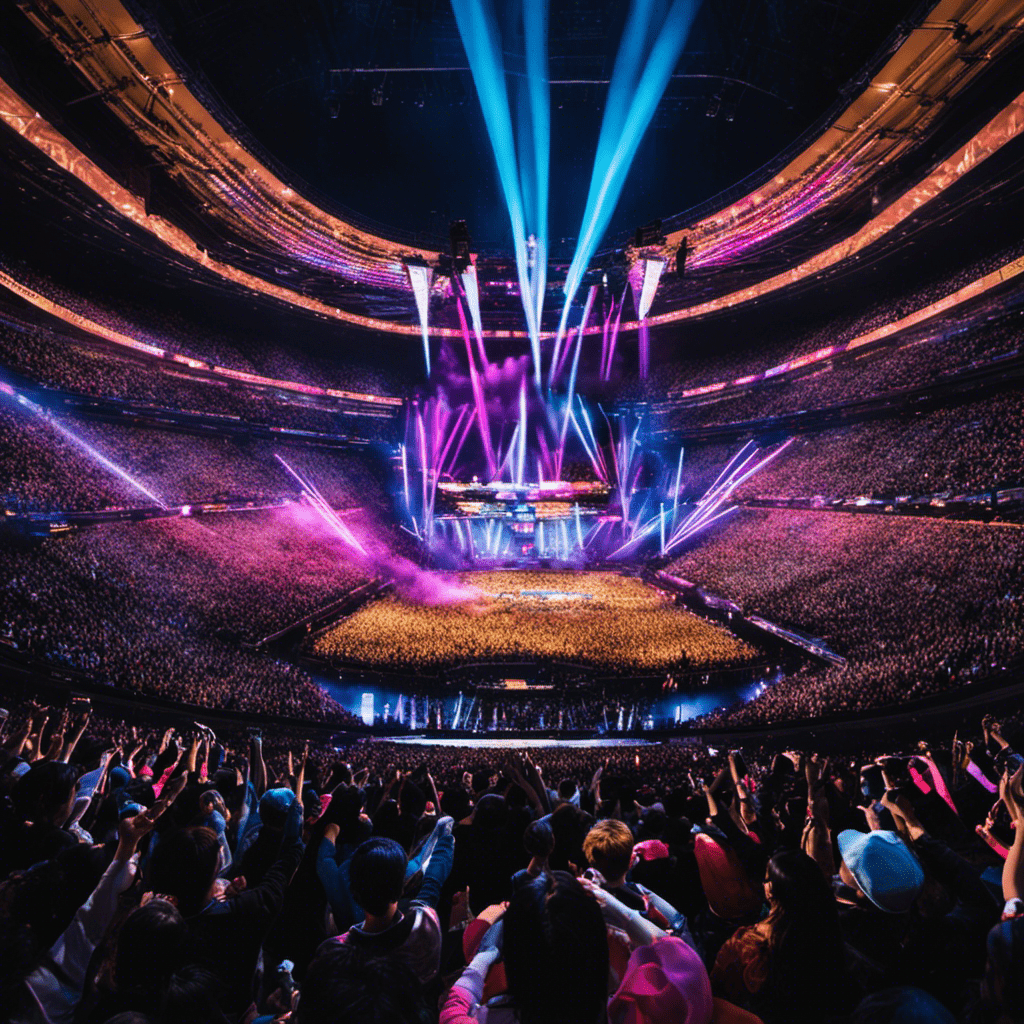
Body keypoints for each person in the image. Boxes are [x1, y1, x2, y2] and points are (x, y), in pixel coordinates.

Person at [712, 848, 852, 1021]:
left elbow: (719, 991)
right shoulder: (834, 930)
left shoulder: (746, 945)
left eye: (765, 879)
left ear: (771, 890)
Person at [323, 818, 454, 985]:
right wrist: (446, 840)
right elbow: (432, 883)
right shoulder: (422, 930)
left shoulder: (333, 951)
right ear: (401, 890)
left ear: (355, 894)